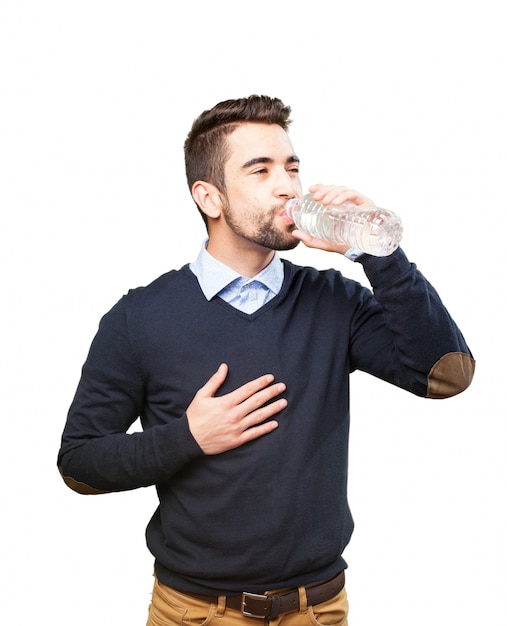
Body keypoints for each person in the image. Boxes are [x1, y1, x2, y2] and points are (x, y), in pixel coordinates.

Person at [57, 95, 475, 625]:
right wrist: (188, 438)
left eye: (292, 167)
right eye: (261, 170)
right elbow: (80, 464)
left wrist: (378, 252)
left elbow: (447, 374)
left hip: (317, 611)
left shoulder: (334, 302)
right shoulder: (138, 318)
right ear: (209, 197)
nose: (288, 186)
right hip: (195, 614)